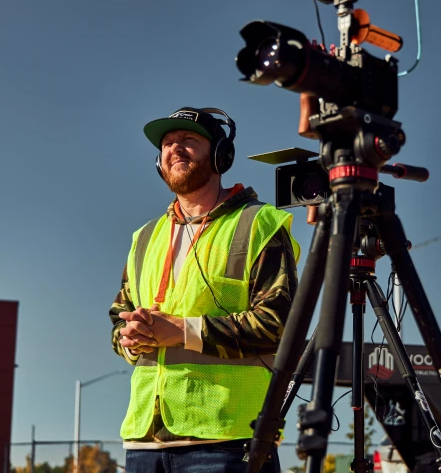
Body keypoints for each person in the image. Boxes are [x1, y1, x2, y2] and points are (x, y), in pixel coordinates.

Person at [108, 106, 301, 473]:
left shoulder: (259, 224)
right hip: (143, 442)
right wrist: (130, 337)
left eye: (188, 140)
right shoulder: (145, 238)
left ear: (220, 155)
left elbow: (279, 325)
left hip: (227, 441)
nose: (175, 149)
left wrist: (181, 332)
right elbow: (118, 319)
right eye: (167, 143)